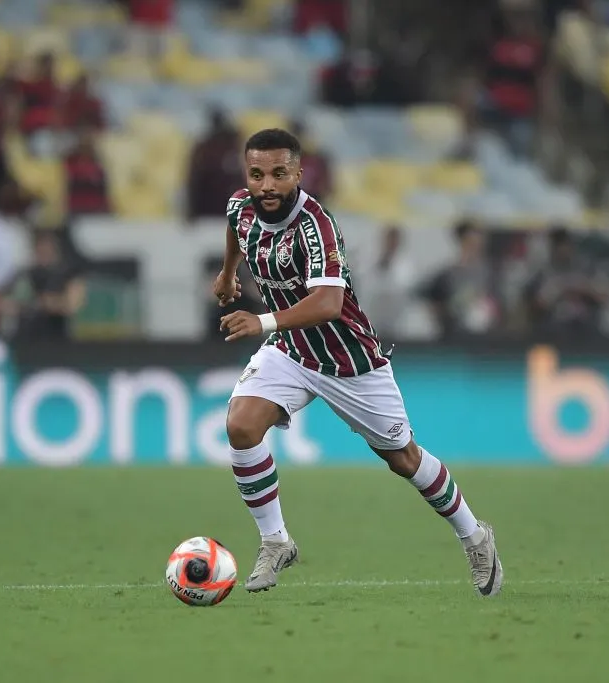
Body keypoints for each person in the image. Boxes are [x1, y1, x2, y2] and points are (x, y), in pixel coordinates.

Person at [212, 129, 503, 596]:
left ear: (298, 173)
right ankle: (276, 541)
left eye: (279, 174)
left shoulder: (316, 226)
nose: (267, 185)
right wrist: (228, 274)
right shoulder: (240, 206)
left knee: (404, 458)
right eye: (257, 174)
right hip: (291, 350)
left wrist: (262, 320)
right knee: (241, 426)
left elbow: (328, 303)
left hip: (349, 359)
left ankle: (474, 535)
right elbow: (235, 228)